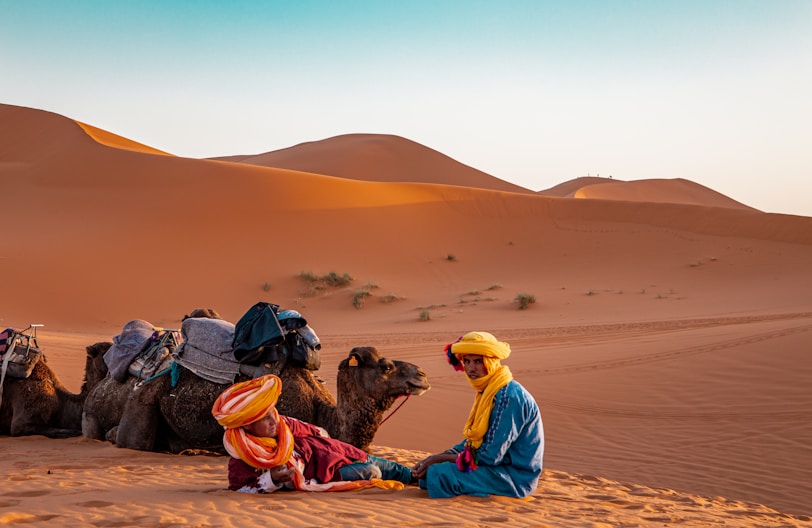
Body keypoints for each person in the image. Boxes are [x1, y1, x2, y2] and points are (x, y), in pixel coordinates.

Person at [211, 374, 414, 493]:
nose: (274, 420)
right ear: (247, 425)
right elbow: (239, 489)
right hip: (330, 473)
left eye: (272, 412)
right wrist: (272, 478)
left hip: (341, 452)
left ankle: (426, 477)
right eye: (263, 418)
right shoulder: (244, 456)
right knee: (373, 472)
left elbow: (319, 432)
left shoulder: (285, 424)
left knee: (401, 471)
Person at [412, 331, 543, 498]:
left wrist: (440, 459)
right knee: (430, 472)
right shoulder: (489, 391)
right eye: (467, 361)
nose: (471, 368)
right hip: (497, 469)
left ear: (491, 362)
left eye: (478, 362)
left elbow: (490, 456)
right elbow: (474, 442)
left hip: (514, 478)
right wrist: (438, 457)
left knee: (440, 474)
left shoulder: (508, 397)